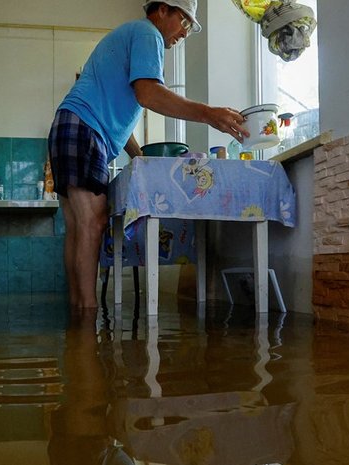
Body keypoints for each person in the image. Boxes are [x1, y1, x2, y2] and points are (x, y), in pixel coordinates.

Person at [48, 0, 250, 310]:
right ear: (163, 9)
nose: (184, 33)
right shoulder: (147, 34)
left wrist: (139, 156)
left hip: (72, 125)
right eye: (184, 21)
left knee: (78, 226)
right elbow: (149, 94)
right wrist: (209, 114)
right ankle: (88, 320)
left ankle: (78, 313)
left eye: (190, 27)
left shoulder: (131, 36)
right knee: (92, 222)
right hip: (83, 128)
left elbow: (121, 119)